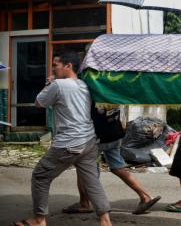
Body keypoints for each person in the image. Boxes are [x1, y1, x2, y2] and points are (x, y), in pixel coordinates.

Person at [12, 52, 112, 226]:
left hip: (68, 143)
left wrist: (48, 83)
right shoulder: (84, 85)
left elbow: (39, 103)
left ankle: (38, 220)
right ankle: (105, 220)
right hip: (88, 141)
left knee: (40, 176)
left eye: (55, 65)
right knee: (91, 181)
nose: (52, 69)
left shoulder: (58, 85)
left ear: (68, 66)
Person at [62, 103, 162, 215]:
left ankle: (84, 203)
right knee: (117, 168)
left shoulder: (91, 93)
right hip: (114, 134)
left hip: (98, 137)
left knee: (84, 168)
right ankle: (145, 196)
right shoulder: (111, 92)